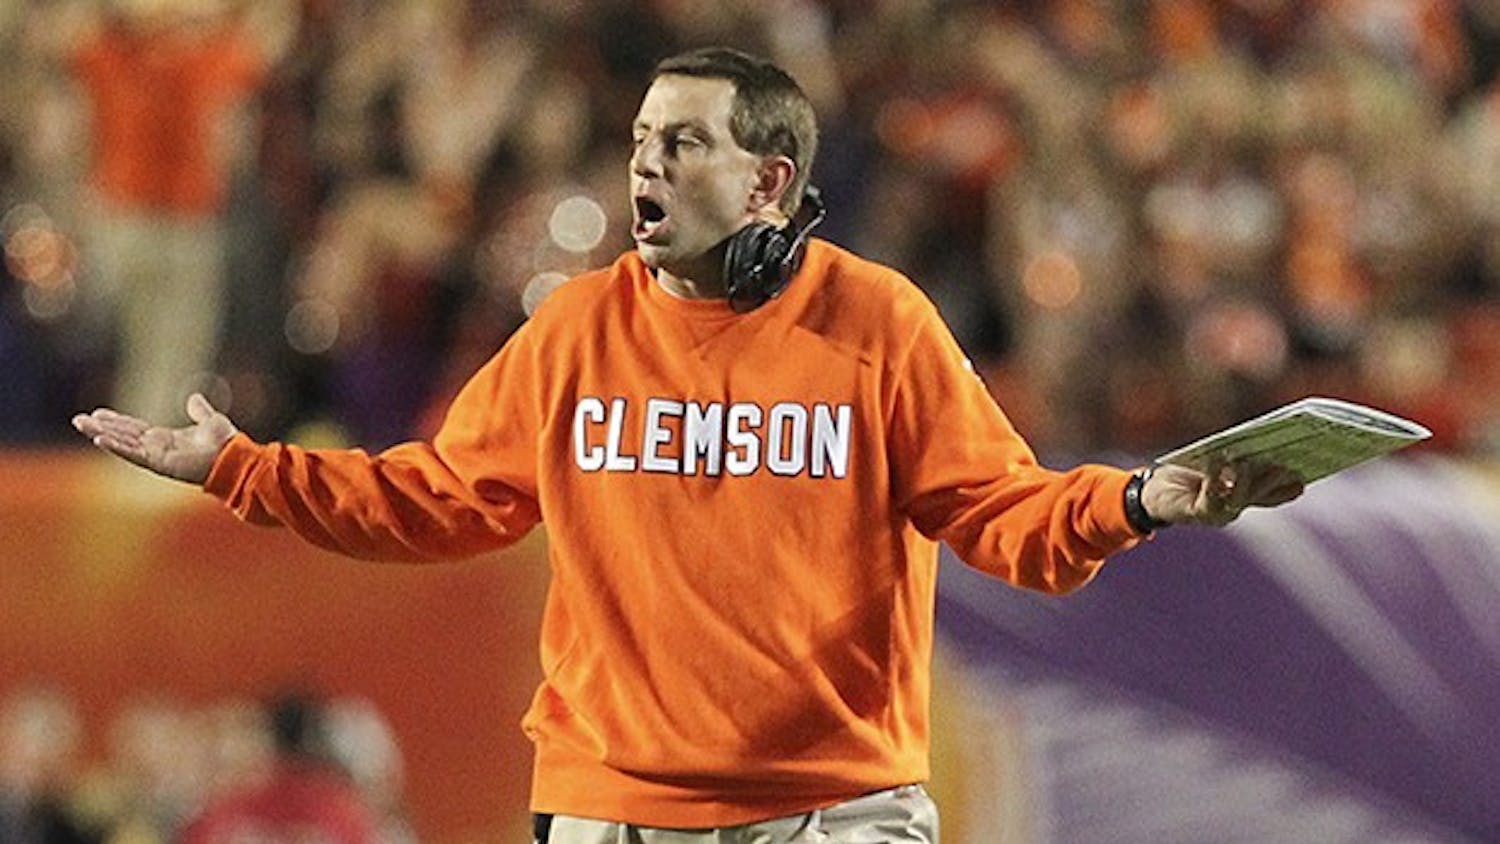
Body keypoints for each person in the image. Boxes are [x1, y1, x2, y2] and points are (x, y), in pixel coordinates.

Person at [73, 47, 1303, 843]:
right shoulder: (579, 329)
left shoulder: (878, 322)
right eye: (643, 139)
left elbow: (1005, 517)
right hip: (613, 811)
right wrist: (244, 468)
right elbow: (437, 498)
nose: (645, 162)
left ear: (770, 183)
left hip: (836, 811)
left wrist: (1138, 499)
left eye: (683, 143)